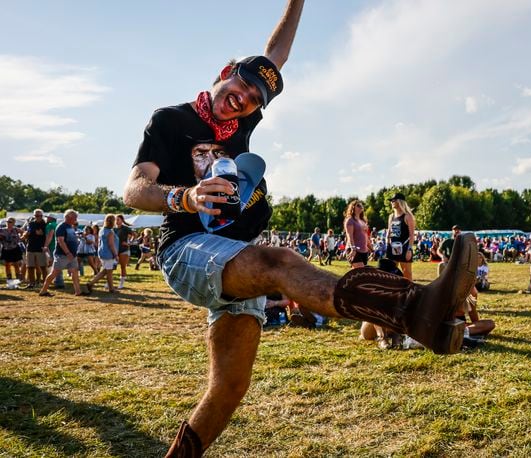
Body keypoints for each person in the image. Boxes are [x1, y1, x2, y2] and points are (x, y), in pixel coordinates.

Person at [121, 3, 477, 454]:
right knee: (279, 260)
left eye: (254, 97)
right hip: (187, 248)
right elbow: (134, 189)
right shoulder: (170, 120)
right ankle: (412, 311)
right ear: (224, 71)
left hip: (233, 255)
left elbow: (277, 55)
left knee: (229, 387)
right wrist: (185, 197)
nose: (245, 96)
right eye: (242, 84)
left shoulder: (241, 119)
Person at [38, 210, 86, 297]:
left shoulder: (70, 227)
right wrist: (68, 253)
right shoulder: (61, 227)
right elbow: (61, 241)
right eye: (74, 217)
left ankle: (78, 291)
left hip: (72, 255)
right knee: (54, 273)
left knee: (74, 271)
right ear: (68, 217)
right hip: (62, 255)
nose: (76, 219)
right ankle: (43, 291)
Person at [385, 192, 416, 280]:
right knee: (390, 273)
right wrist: (387, 245)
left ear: (399, 202)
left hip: (404, 247)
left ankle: (410, 292)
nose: (391, 202)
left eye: (393, 200)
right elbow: (389, 232)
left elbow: (412, 235)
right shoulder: (391, 216)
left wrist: (409, 249)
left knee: (407, 273)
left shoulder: (407, 216)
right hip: (392, 247)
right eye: (391, 201)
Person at [87, 214, 119, 294]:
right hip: (108, 254)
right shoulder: (110, 232)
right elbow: (111, 244)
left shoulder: (102, 230)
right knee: (109, 272)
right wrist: (115, 255)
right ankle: (111, 289)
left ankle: (91, 283)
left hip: (102, 253)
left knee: (104, 271)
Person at [21, 209, 49, 289]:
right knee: (30, 266)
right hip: (30, 247)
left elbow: (40, 233)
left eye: (40, 215)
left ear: (42, 216)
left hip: (40, 248)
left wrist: (31, 233)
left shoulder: (45, 224)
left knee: (43, 267)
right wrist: (32, 233)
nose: (38, 217)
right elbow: (29, 232)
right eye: (36, 215)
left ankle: (45, 283)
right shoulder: (31, 223)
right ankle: (31, 283)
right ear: (34, 216)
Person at [344, 200, 372, 267]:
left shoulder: (363, 221)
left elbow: (365, 236)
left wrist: (371, 248)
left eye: (362, 206)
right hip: (354, 250)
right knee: (362, 272)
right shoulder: (350, 220)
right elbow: (349, 236)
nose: (361, 207)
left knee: (358, 274)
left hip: (364, 251)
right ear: (353, 207)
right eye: (358, 205)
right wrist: (353, 249)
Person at [0, 218, 24, 288]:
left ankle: (17, 282)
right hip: (6, 249)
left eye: (10, 222)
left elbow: (24, 232)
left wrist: (21, 238)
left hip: (15, 249)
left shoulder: (16, 229)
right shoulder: (2, 230)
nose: (8, 223)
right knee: (7, 265)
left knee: (16, 265)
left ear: (13, 223)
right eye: (7, 221)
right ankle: (9, 282)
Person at [114, 215, 133, 289]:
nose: (116, 221)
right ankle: (108, 282)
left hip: (124, 250)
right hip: (115, 250)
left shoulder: (125, 228)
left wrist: (129, 243)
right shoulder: (113, 229)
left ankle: (121, 283)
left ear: (122, 220)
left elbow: (134, 235)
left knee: (122, 267)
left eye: (118, 219)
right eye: (116, 219)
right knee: (112, 267)